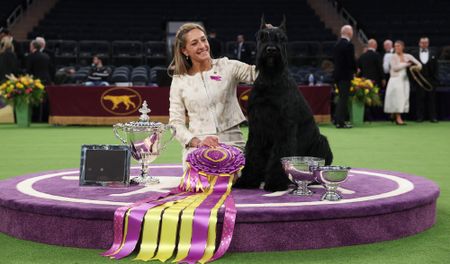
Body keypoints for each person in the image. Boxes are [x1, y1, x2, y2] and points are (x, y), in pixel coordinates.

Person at [168, 23, 256, 168]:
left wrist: (272, 42)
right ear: (185, 50)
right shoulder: (179, 80)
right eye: (195, 43)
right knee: (203, 179)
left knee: (230, 175)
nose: (202, 46)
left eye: (204, 40)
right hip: (197, 147)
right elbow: (175, 123)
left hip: (232, 144)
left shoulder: (228, 66)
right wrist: (197, 142)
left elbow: (260, 74)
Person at [384, 40, 422, 125]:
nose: (397, 48)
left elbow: (419, 64)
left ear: (403, 47)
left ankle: (395, 115)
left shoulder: (408, 56)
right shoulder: (392, 57)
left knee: (404, 98)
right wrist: (407, 64)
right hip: (395, 79)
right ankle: (398, 118)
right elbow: (395, 68)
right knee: (398, 98)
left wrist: (415, 68)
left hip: (404, 80)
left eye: (398, 46)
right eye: (395, 46)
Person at [333, 25, 356, 129]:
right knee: (343, 98)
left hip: (337, 75)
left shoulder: (336, 44)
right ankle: (340, 122)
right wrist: (355, 70)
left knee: (341, 98)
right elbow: (351, 61)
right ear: (349, 33)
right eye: (352, 32)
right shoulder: (349, 45)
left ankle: (337, 120)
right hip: (345, 76)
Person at [411, 37, 438, 122]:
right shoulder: (414, 53)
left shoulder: (434, 53)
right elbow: (411, 68)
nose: (424, 44)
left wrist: (435, 80)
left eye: (426, 43)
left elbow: (436, 68)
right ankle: (420, 117)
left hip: (431, 80)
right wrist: (414, 80)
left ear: (428, 43)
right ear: (419, 43)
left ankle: (433, 117)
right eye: (422, 43)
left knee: (432, 99)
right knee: (419, 99)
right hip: (419, 80)